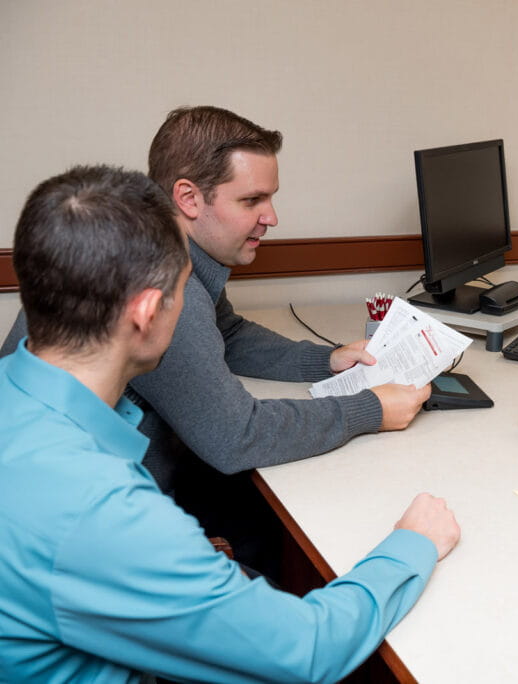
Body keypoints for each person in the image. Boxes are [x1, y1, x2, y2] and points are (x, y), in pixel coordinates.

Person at [0, 165, 460, 683]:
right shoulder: (98, 512)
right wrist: (411, 544)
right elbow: (308, 649)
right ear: (148, 313)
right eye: (182, 293)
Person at [2, 106, 430, 575]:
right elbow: (236, 435)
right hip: (107, 534)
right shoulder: (162, 289)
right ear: (187, 197)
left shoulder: (155, 254)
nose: (272, 217)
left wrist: (323, 360)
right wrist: (370, 409)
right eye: (252, 200)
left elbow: (224, 332)